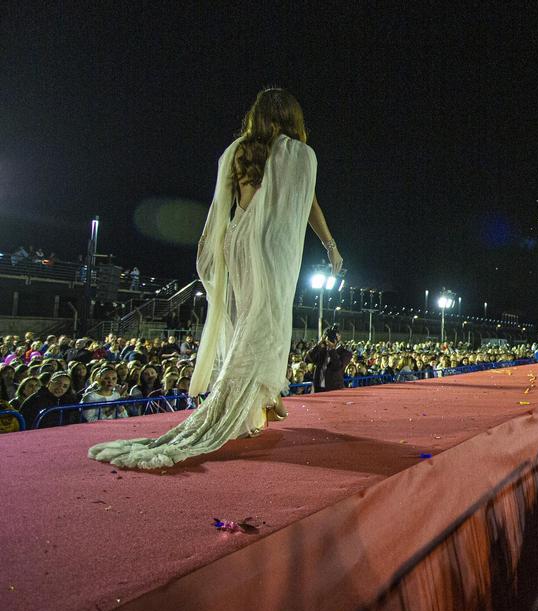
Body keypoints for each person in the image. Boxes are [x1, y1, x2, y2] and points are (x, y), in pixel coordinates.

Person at [89, 88, 342, 469]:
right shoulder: (298, 154)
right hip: (270, 248)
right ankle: (247, 405)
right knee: (266, 325)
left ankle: (258, 405)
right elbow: (307, 203)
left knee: (246, 324)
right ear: (292, 117)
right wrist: (330, 244)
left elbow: (222, 208)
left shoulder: (238, 151)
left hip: (237, 243)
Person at [305, 325, 353, 392]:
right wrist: (318, 344)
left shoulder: (345, 352)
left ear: (339, 337)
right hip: (318, 389)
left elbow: (338, 366)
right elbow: (307, 359)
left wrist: (332, 349)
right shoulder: (321, 350)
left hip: (334, 389)